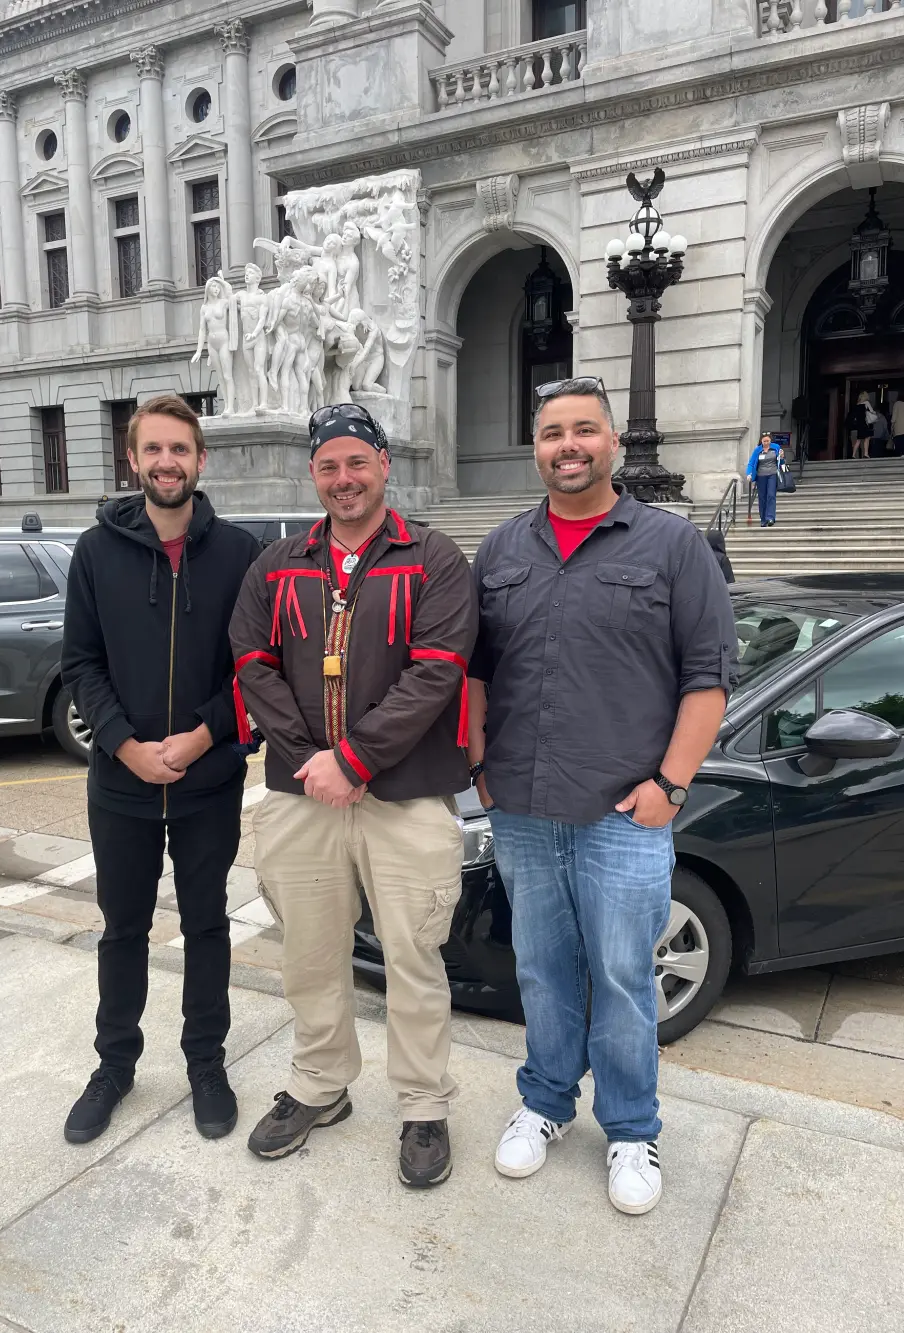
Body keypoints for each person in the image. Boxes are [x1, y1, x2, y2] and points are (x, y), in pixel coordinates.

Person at [467, 376, 737, 1216]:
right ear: (537, 446)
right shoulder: (504, 548)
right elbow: (475, 671)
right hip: (520, 807)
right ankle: (546, 1102)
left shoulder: (670, 547)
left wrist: (670, 785)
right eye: (553, 432)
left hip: (626, 813)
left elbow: (709, 680)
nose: (568, 445)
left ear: (613, 443)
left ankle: (630, 1126)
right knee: (542, 969)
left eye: (585, 430)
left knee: (623, 975)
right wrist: (478, 761)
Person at [229, 403, 477, 1189]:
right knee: (309, 952)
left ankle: (423, 1104)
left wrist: (356, 759)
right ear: (314, 474)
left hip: (403, 796)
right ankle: (320, 1083)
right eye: (329, 466)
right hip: (304, 795)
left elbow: (437, 671)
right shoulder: (276, 564)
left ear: (384, 467)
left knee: (412, 956)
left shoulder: (434, 559)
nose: (344, 479)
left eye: (357, 463)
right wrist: (313, 761)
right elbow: (251, 660)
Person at [61, 395, 260, 1145]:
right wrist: (125, 744)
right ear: (133, 459)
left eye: (181, 449)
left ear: (200, 460)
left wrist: (203, 737)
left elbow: (257, 670)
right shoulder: (95, 551)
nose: (167, 462)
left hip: (207, 784)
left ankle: (205, 1061)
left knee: (208, 924)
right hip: (121, 785)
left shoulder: (239, 554)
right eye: (154, 450)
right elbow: (81, 662)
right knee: (123, 928)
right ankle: (115, 1064)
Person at [746, 432, 781, 527]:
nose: (766, 443)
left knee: (771, 495)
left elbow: (781, 461)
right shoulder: (758, 450)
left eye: (768, 441)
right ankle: (763, 519)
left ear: (770, 440)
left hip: (772, 474)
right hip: (761, 476)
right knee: (762, 497)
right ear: (761, 441)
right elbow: (751, 463)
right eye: (764, 441)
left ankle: (770, 517)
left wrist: (782, 457)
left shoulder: (776, 447)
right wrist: (749, 474)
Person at [846, 392, 875, 460]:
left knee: (858, 440)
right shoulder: (866, 403)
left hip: (858, 425)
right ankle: (866, 454)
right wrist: (873, 413)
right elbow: (872, 411)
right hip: (864, 423)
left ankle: (853, 455)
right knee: (867, 438)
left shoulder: (857, 405)